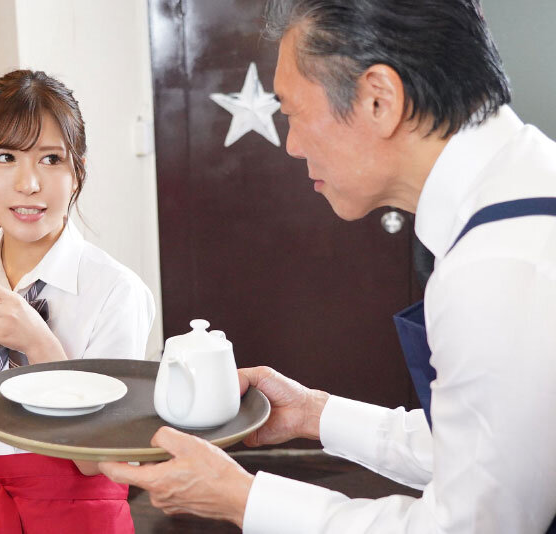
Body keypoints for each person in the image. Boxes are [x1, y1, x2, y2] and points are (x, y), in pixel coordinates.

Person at [99, 1, 556, 532]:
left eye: (292, 112)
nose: (292, 145)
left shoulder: (501, 266)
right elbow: (490, 452)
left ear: (379, 100)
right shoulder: (519, 195)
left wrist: (240, 498)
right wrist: (313, 413)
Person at [0, 69, 155, 533]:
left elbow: (102, 463)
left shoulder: (116, 291)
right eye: (5, 157)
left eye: (51, 159)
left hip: (80, 517)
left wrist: (40, 346)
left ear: (77, 173)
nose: (29, 183)